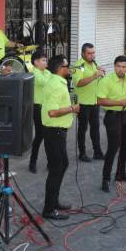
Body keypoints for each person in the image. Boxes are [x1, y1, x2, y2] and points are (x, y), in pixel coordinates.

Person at [41, 55, 78, 220]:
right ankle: (48, 209)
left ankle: (54, 201)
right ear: (60, 69)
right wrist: (72, 108)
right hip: (54, 131)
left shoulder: (56, 81)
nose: (69, 69)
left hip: (57, 132)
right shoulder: (56, 85)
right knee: (56, 169)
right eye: (67, 66)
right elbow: (52, 112)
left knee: (63, 164)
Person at [97, 55, 126, 193]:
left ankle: (121, 173)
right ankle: (105, 178)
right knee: (113, 148)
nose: (120, 69)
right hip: (112, 116)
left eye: (123, 67)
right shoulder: (106, 81)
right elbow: (100, 101)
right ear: (114, 67)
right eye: (118, 66)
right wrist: (119, 102)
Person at [72, 43, 105, 162]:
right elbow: (78, 83)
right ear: (82, 54)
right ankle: (82, 153)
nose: (92, 55)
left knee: (95, 127)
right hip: (83, 103)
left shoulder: (94, 63)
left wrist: (100, 72)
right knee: (82, 128)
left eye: (93, 53)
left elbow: (95, 77)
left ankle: (98, 152)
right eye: (89, 53)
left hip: (94, 101)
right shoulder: (79, 66)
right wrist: (94, 76)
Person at [28, 50, 50, 173]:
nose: (46, 62)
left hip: (47, 107)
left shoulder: (46, 72)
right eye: (43, 60)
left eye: (46, 60)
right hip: (37, 107)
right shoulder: (34, 73)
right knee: (40, 135)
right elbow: (46, 83)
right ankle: (32, 162)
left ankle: (50, 162)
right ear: (36, 62)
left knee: (47, 135)